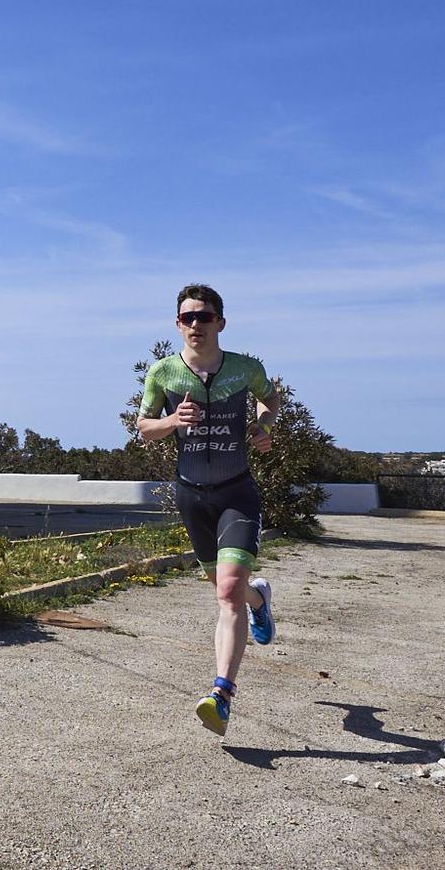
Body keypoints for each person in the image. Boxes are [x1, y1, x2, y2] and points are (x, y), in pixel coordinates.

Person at [136, 283, 284, 736]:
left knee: (226, 591)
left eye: (203, 316)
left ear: (221, 321)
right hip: (191, 496)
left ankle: (221, 695)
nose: (195, 324)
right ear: (177, 324)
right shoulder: (163, 373)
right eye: (186, 317)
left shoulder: (245, 369)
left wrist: (262, 426)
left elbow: (271, 398)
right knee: (227, 589)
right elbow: (144, 428)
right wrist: (170, 421)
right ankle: (260, 599)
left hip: (236, 492)